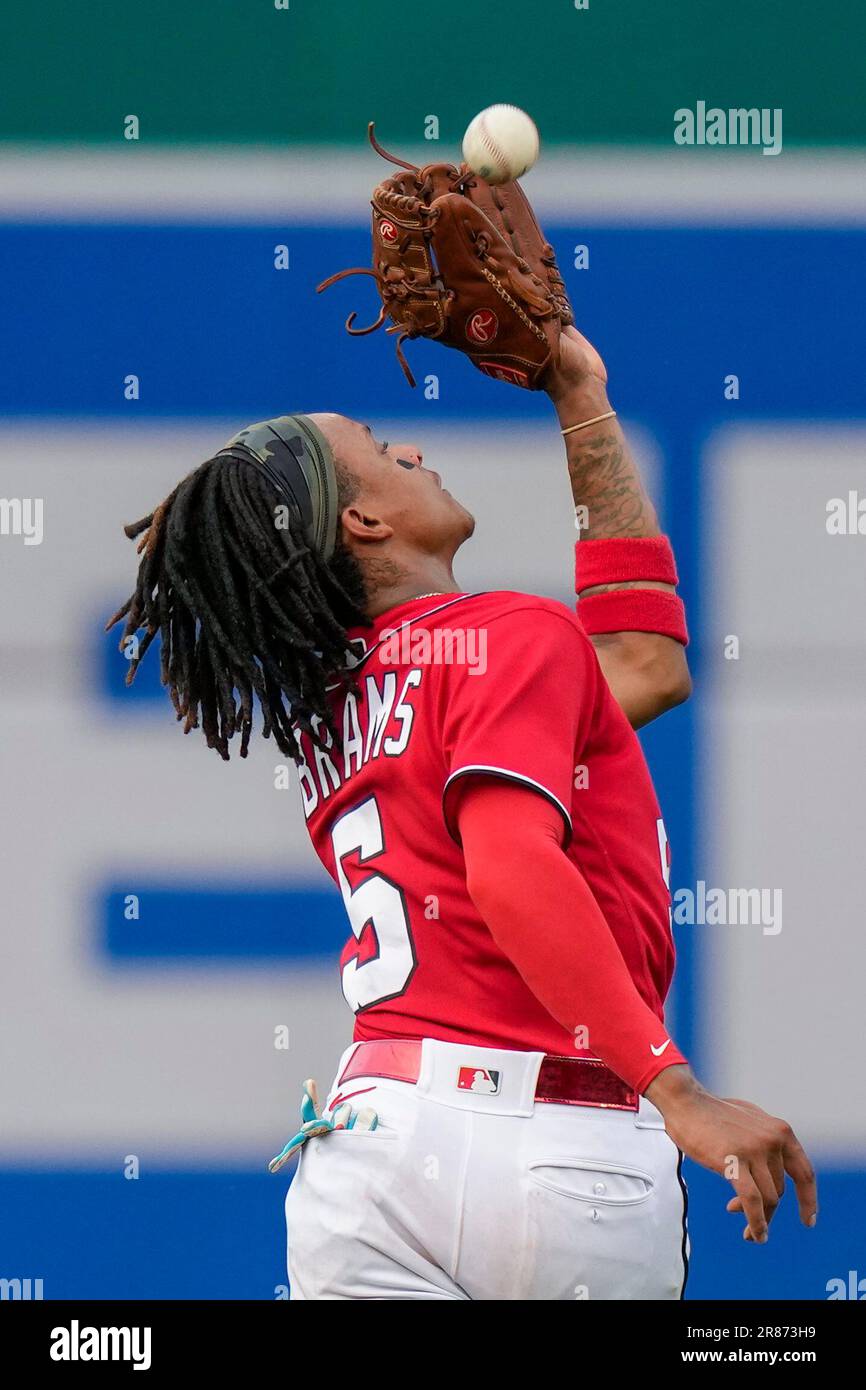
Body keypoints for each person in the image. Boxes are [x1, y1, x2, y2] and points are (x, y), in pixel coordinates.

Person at [109, 323, 816, 1300]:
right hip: (554, 1156)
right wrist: (676, 1089)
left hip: (367, 1154)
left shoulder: (341, 699)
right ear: (362, 522)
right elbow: (512, 867)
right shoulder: (507, 636)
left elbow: (645, 666)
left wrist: (577, 392)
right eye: (375, 445)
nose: (407, 447)